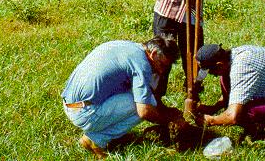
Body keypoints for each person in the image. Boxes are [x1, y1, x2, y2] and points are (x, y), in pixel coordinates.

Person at [61, 35, 189, 158]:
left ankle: (109, 130)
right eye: (162, 65)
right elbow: (145, 111)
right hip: (84, 113)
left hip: (71, 104)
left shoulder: (128, 47)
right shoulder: (142, 64)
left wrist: (166, 110)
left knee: (143, 98)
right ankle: (95, 140)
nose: (161, 71)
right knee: (147, 104)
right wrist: (169, 121)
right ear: (154, 53)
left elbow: (147, 90)